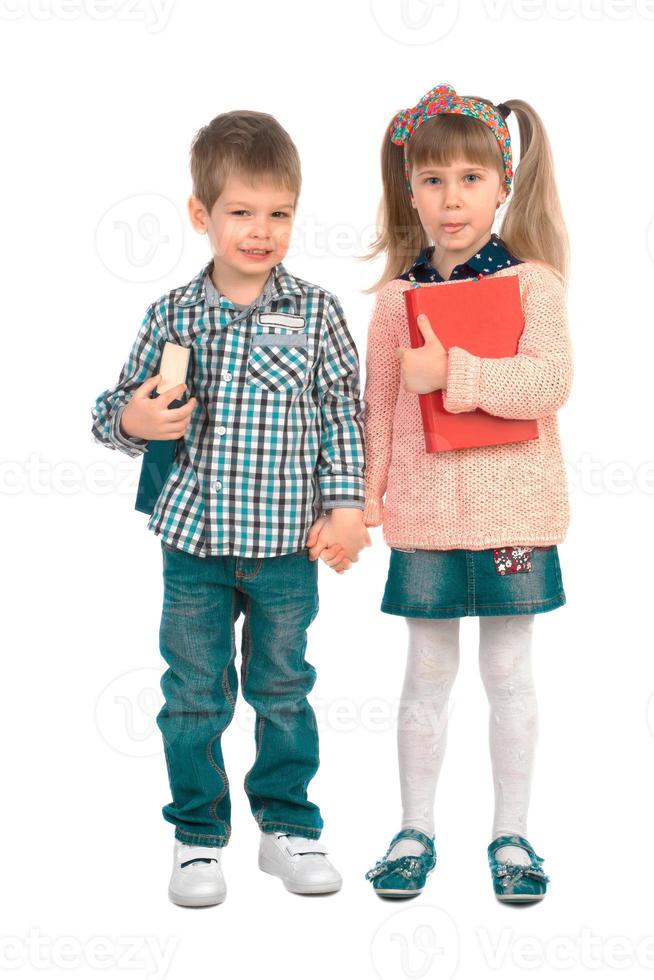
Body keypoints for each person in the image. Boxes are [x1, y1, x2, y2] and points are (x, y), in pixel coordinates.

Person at [91, 109, 370, 906]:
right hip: (195, 545)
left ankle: (287, 826)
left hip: (288, 544)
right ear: (201, 215)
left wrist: (347, 506)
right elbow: (115, 405)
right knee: (194, 694)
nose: (261, 230)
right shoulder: (173, 314)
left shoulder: (315, 312)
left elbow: (341, 414)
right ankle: (197, 837)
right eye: (242, 212)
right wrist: (132, 421)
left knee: (283, 689)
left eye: (279, 213)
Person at [360, 84, 572, 902]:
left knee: (510, 674)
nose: (452, 200)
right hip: (424, 518)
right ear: (409, 187)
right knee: (424, 676)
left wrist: (453, 374)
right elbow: (378, 406)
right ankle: (415, 829)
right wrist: (368, 497)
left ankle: (511, 834)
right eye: (434, 180)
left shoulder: (533, 285)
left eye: (471, 180)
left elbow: (550, 383)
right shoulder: (393, 303)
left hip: (514, 513)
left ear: (502, 184)